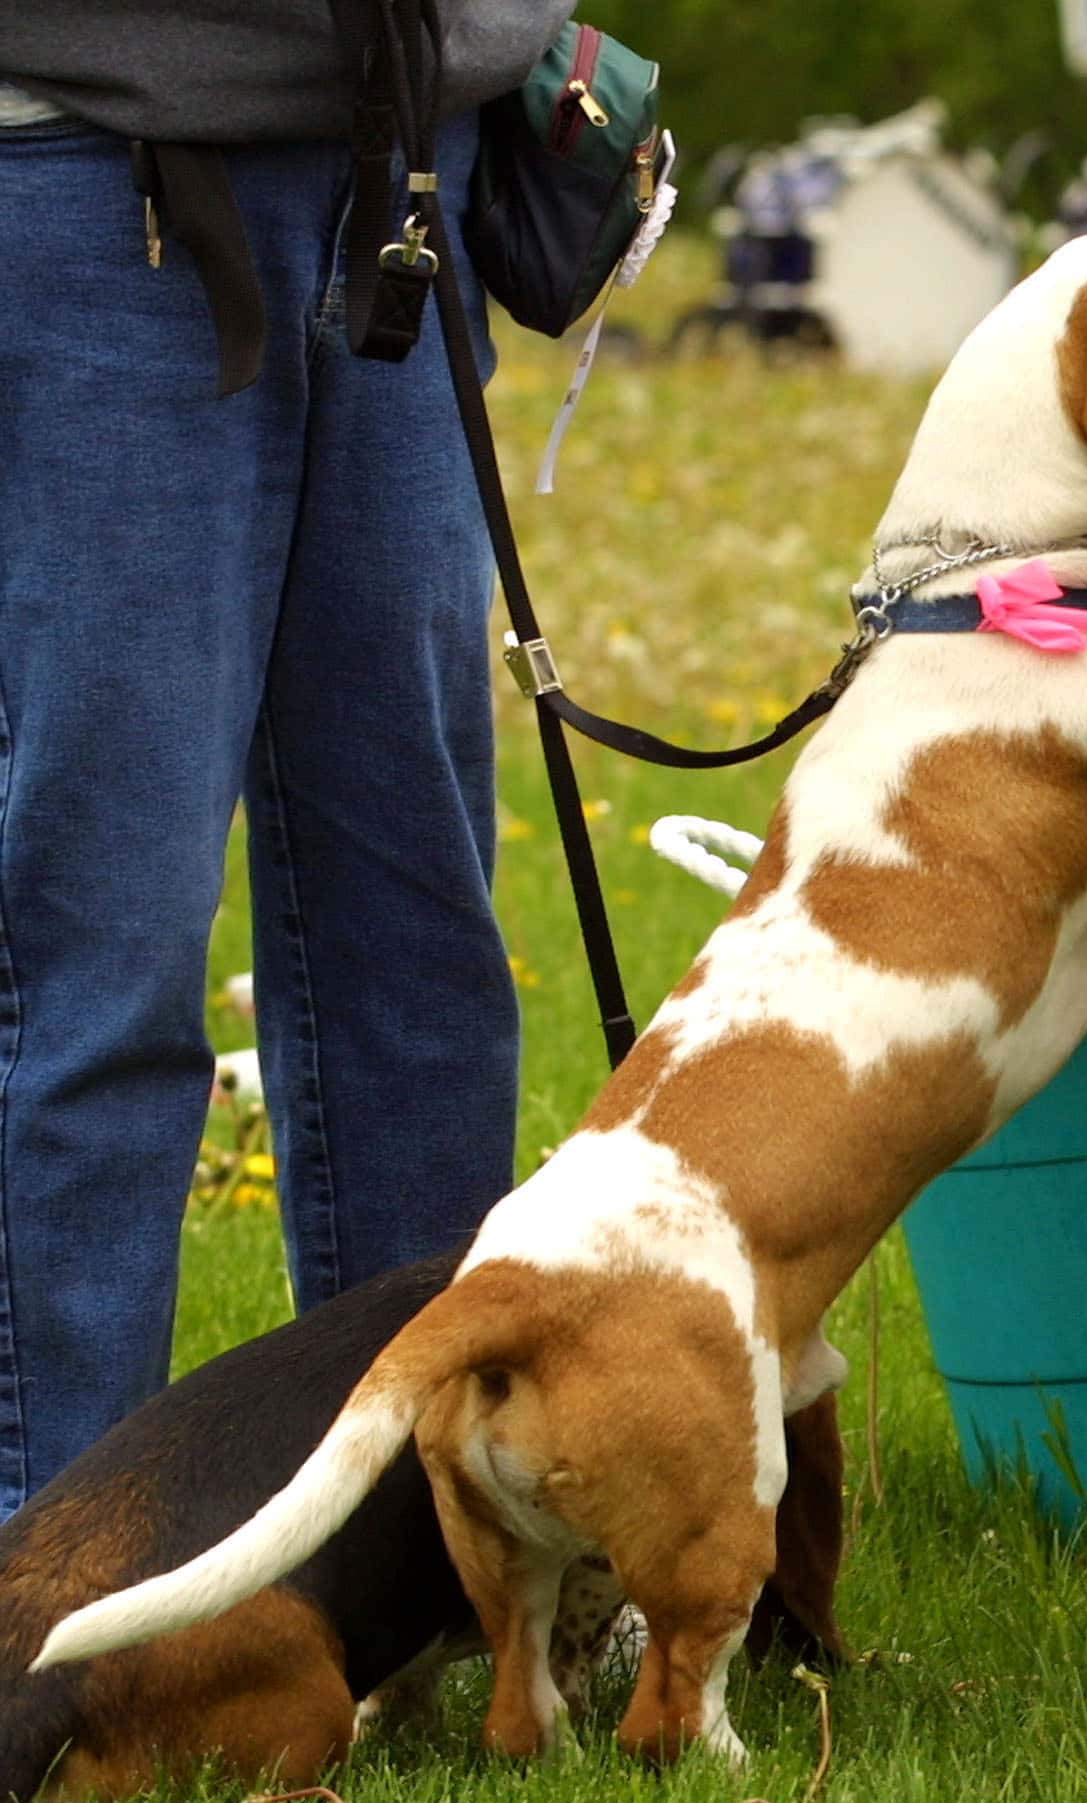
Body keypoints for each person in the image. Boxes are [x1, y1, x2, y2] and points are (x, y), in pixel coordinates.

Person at [0, 2, 553, 1516]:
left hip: (407, 158)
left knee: (420, 940)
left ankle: (422, 1557)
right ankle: (48, 1592)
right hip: (89, 160)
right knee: (100, 948)